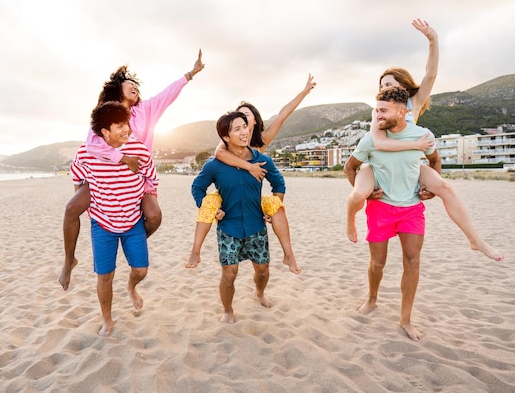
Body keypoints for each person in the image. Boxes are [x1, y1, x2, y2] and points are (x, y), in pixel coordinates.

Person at [345, 19, 504, 262]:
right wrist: (416, 145)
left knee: (446, 188)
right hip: (380, 167)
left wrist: (433, 40)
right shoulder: (378, 113)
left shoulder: (413, 104)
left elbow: (431, 73)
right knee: (359, 194)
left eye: (389, 83)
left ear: (402, 86)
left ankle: (475, 240)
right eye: (381, 85)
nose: (385, 87)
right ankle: (351, 220)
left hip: (409, 165)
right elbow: (379, 145)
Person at [59, 50, 205, 290]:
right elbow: (93, 145)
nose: (136, 88)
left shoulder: (146, 109)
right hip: (103, 175)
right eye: (130, 86)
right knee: (71, 208)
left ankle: (131, 243)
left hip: (136, 178)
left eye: (137, 86)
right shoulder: (105, 113)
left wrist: (190, 74)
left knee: (155, 216)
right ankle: (68, 260)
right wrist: (122, 158)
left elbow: (168, 94)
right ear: (119, 91)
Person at [186, 74, 317, 273]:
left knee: (276, 205)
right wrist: (250, 167)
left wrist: (304, 92)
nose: (242, 120)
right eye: (238, 117)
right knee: (209, 202)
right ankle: (195, 251)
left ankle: (288, 255)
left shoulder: (262, 140)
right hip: (228, 195)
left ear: (254, 120)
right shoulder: (226, 142)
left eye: (246, 116)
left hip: (252, 194)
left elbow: (283, 114)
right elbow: (218, 154)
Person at [344, 87, 440, 341]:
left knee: (412, 262)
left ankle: (405, 319)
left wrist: (430, 187)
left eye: (383, 110)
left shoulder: (423, 135)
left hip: (411, 209)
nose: (378, 115)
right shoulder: (370, 140)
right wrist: (365, 191)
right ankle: (372, 298)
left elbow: (435, 162)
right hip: (380, 209)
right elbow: (349, 168)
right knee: (377, 263)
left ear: (402, 111)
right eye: (376, 110)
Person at [71, 101, 158, 337]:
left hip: (132, 221)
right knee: (105, 276)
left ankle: (131, 287)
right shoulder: (85, 153)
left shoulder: (139, 150)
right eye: (119, 126)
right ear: (104, 132)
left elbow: (152, 178)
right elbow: (77, 177)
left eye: (126, 124)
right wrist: (88, 204)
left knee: (141, 270)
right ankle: (107, 320)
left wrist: (148, 201)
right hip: (102, 223)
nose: (126, 129)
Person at [191, 111, 286, 323]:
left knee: (262, 270)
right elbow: (197, 187)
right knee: (229, 274)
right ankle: (227, 310)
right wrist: (211, 209)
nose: (244, 132)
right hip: (228, 228)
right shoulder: (214, 165)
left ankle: (259, 293)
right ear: (226, 137)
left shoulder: (262, 160)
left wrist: (272, 208)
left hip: (256, 227)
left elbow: (279, 184)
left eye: (245, 126)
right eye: (237, 129)